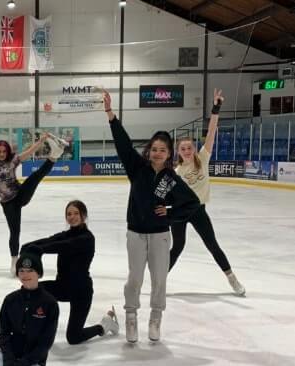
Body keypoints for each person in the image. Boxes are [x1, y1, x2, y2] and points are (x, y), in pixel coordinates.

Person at [104, 91, 199, 343]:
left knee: (159, 279)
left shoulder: (172, 179)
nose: (157, 153)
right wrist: (111, 115)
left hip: (159, 236)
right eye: (154, 149)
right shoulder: (137, 169)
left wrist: (169, 213)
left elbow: (192, 204)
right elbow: (123, 144)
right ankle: (131, 316)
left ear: (169, 154)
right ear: (149, 151)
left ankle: (156, 318)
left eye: (162, 150)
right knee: (134, 278)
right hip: (135, 234)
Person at [170, 89, 245, 296]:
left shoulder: (203, 158)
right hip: (179, 213)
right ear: (178, 152)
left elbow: (212, 131)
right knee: (177, 247)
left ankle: (232, 279)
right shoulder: (177, 172)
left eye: (189, 147)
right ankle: (159, 281)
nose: (186, 151)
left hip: (198, 210)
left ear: (193, 149)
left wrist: (216, 107)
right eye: (182, 149)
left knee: (212, 245)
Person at [21, 200, 119, 344]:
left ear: (83, 215)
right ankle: (35, 328)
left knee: (73, 337)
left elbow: (62, 246)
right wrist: (28, 246)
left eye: (76, 213)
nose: (72, 217)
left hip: (81, 292)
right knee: (29, 290)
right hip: (62, 287)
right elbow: (49, 240)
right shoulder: (66, 234)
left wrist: (38, 250)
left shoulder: (87, 238)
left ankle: (105, 324)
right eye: (69, 214)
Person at [0, 123, 65, 275]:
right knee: (15, 232)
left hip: (20, 195)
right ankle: (14, 261)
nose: (2, 153)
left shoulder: (13, 160)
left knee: (35, 177)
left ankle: (54, 155)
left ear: (7, 152)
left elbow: (29, 152)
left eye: (4, 151)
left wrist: (41, 141)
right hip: (8, 204)